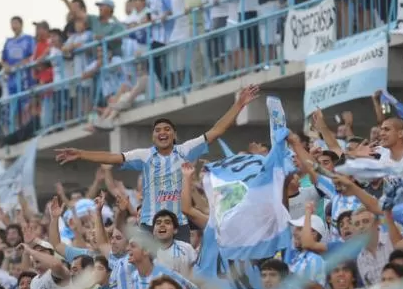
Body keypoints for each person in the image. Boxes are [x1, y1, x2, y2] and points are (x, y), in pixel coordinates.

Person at [54, 85, 260, 242]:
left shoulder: (186, 150)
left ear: (174, 135)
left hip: (178, 223)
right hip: (148, 225)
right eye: (158, 130)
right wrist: (81, 153)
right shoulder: (143, 155)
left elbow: (216, 131)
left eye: (167, 129)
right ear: (153, 137)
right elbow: (112, 157)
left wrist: (239, 104)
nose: (162, 132)